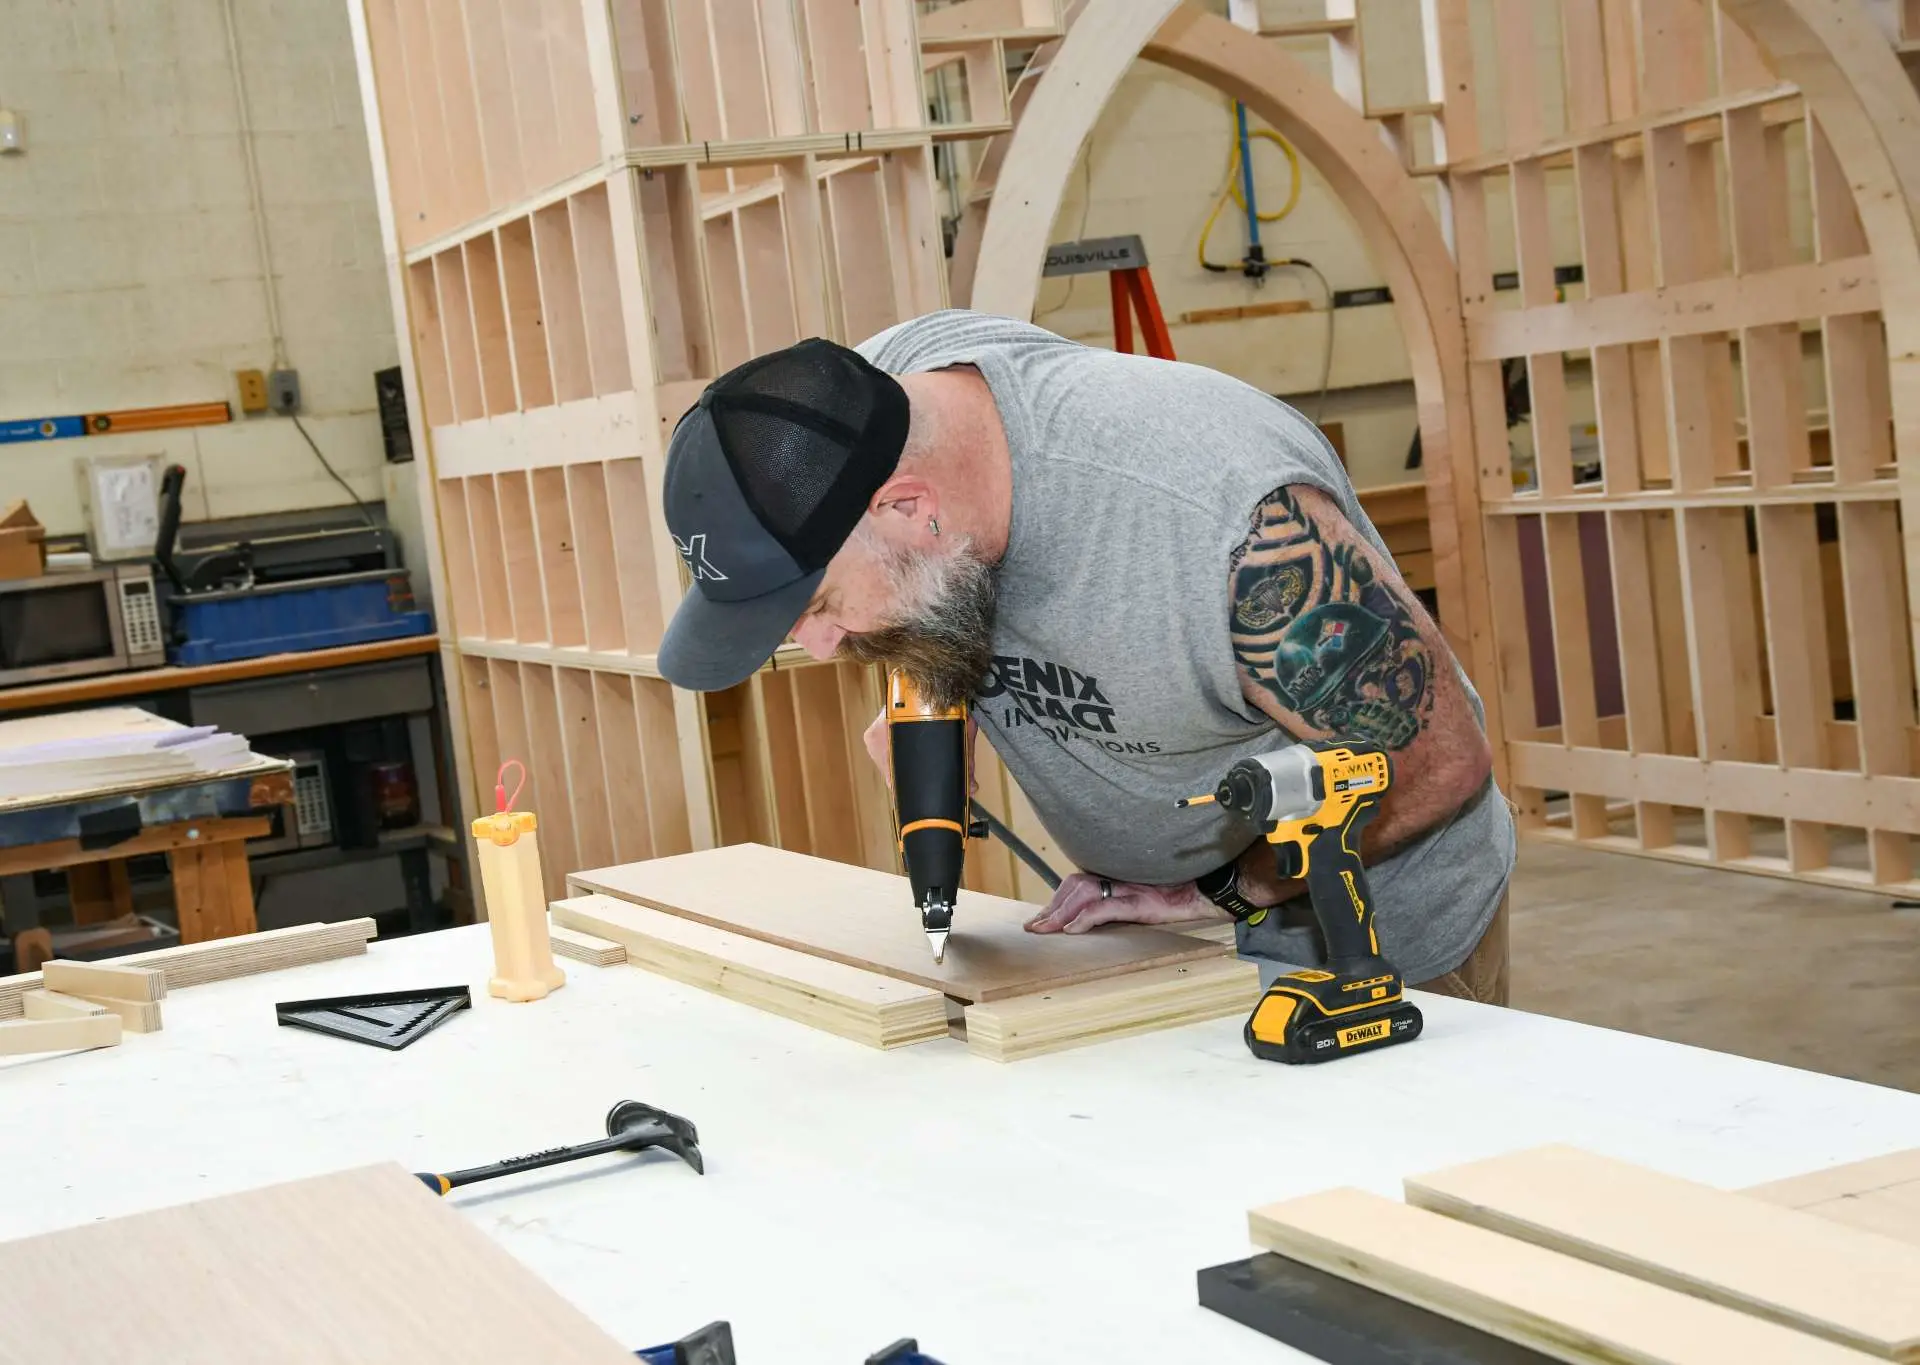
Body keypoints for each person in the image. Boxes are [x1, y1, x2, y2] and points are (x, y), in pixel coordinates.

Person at [653, 310, 1515, 1004]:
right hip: (1164, 947)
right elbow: (901, 558)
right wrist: (927, 686)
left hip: (1371, 940)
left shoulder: (1225, 526)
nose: (820, 644)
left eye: (820, 607)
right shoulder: (868, 404)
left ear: (913, 508)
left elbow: (1434, 762)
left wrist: (1223, 891)